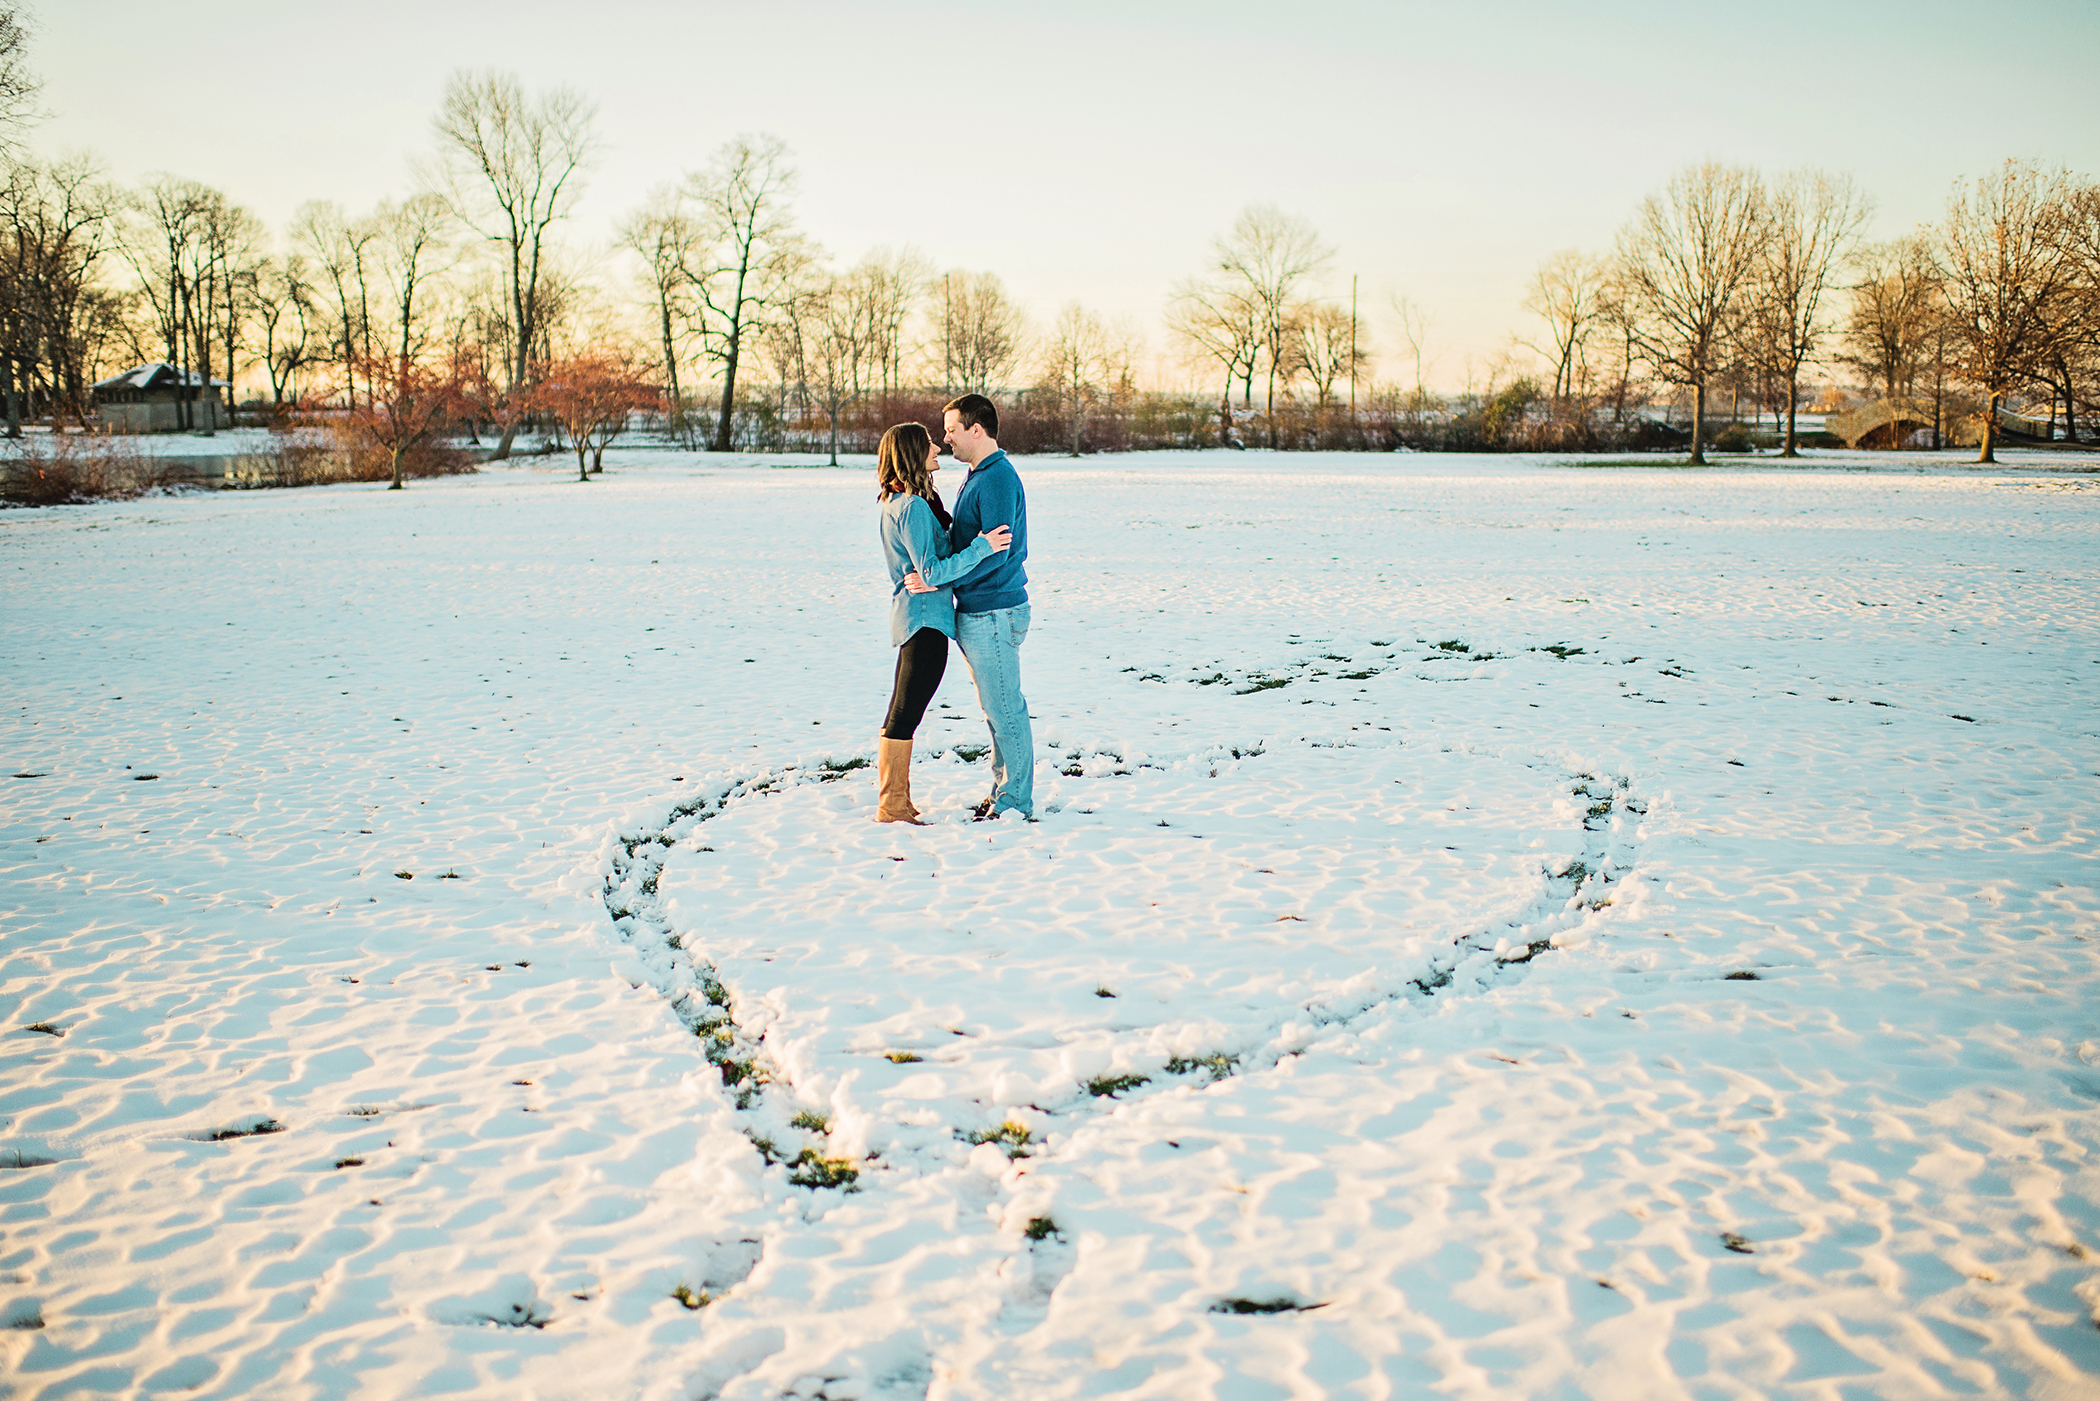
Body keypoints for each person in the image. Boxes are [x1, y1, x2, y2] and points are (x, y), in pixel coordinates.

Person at [874, 422, 1012, 824]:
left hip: (922, 617)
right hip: (924, 622)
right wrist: (983, 547)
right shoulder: (913, 506)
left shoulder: (910, 500)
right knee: (905, 712)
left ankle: (897, 800)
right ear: (914, 454)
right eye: (929, 443)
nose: (938, 446)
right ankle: (892, 804)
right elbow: (931, 571)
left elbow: (929, 562)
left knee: (905, 709)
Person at [906, 393, 1033, 819]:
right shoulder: (980, 474)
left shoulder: (995, 479)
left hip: (994, 611)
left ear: (976, 430)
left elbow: (996, 553)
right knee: (995, 710)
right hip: (981, 611)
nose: (945, 440)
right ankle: (1003, 793)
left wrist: (937, 579)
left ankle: (1015, 801)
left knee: (1005, 709)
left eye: (952, 430)